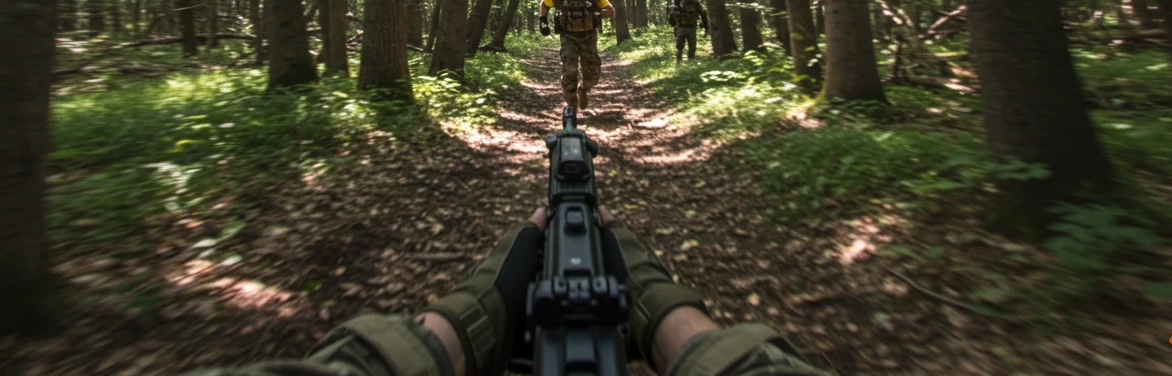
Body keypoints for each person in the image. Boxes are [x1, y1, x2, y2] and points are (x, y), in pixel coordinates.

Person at [184, 207, 829, 376]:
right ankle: (670, 322)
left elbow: (603, 8)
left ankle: (460, 330)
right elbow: (553, 8)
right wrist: (645, 285)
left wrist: (489, 297)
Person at [537, 0, 613, 110]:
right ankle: (571, 105)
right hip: (568, 37)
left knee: (593, 75)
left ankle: (583, 88)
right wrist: (543, 22)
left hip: (589, 37)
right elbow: (544, 4)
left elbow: (610, 10)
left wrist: (595, 13)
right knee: (569, 70)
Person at [666, 0, 708, 64]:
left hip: (684, 27)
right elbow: (703, 14)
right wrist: (705, 27)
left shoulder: (693, 3)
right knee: (688, 46)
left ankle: (683, 61)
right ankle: (687, 61)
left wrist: (705, 26)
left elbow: (671, 16)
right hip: (688, 27)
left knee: (683, 46)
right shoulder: (690, 3)